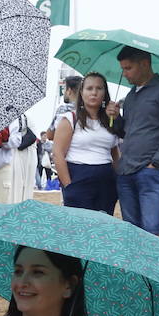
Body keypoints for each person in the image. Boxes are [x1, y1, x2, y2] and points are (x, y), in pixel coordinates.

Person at [110, 47, 159, 235]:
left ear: (144, 64)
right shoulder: (131, 96)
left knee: (153, 233)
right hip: (127, 171)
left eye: (128, 68)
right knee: (131, 233)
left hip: (152, 172)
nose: (124, 73)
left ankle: (156, 266)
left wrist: (157, 162)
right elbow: (126, 132)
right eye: (123, 68)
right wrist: (116, 117)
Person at [53, 72, 121, 214]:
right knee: (78, 228)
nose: (94, 93)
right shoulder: (70, 118)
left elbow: (115, 152)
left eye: (99, 88)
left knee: (103, 226)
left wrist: (119, 177)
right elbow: (58, 153)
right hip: (78, 175)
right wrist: (68, 185)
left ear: (105, 93)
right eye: (89, 88)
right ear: (81, 92)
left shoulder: (110, 121)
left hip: (106, 179)